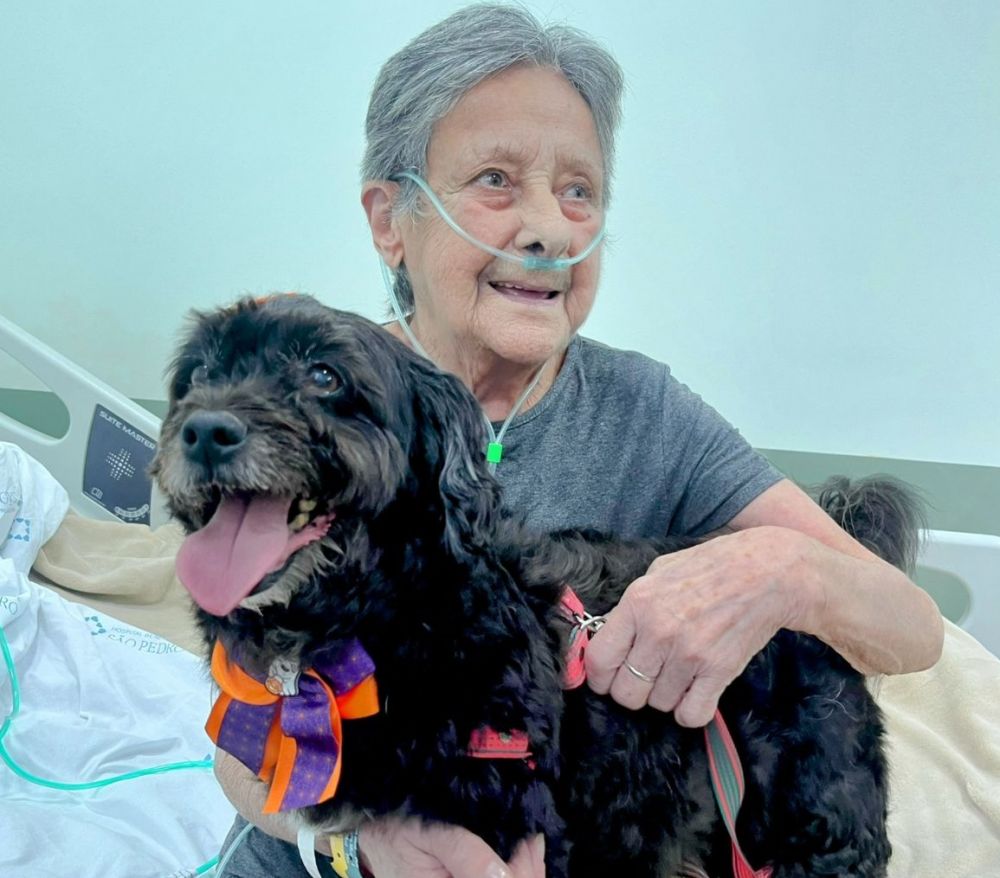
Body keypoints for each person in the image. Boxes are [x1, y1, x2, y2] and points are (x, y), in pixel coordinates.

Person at [214, 5, 944, 876]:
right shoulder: (303, 420)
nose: (549, 229)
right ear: (390, 220)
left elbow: (914, 632)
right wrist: (357, 836)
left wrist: (788, 570)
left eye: (578, 191)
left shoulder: (646, 411)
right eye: (494, 179)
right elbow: (236, 730)